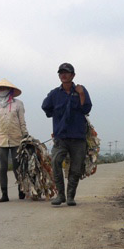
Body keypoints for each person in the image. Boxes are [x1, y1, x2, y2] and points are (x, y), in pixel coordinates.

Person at [41, 63, 93, 206]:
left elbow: (86, 109)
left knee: (76, 168)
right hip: (61, 136)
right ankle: (60, 195)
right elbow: (45, 107)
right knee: (55, 162)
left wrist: (81, 94)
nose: (63, 75)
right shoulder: (54, 94)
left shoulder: (81, 90)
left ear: (73, 75)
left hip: (78, 136)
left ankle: (70, 196)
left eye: (66, 72)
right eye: (61, 73)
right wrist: (57, 116)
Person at [0, 78, 28, 202]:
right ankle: (4, 194)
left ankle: (21, 189)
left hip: (16, 139)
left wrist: (25, 135)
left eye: (4, 88)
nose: (2, 90)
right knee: (2, 167)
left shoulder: (18, 104)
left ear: (10, 90)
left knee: (17, 166)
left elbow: (22, 121)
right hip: (2, 140)